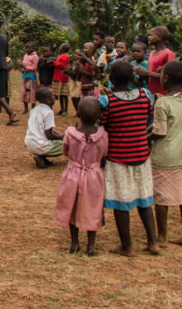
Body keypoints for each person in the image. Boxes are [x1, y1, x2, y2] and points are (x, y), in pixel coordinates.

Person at [99, 60, 159, 256]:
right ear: (132, 78)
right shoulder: (145, 95)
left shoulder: (108, 102)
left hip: (118, 158)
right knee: (144, 201)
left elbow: (104, 125)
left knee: (120, 202)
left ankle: (127, 246)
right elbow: (149, 117)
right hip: (141, 155)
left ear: (110, 80)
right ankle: (153, 242)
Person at [151, 60, 182, 248]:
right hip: (181, 155)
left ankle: (162, 236)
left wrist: (144, 136)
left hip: (164, 156)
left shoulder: (162, 103)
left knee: (161, 198)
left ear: (166, 78)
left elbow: (159, 132)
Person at [56, 97, 108, 255]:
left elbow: (65, 151)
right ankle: (91, 245)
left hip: (72, 174)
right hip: (94, 176)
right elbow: (104, 154)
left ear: (78, 113)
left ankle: (74, 243)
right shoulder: (103, 135)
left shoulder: (70, 133)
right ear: (99, 116)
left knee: (72, 206)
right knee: (93, 208)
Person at [25, 87, 63, 168]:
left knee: (52, 140)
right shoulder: (48, 112)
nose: (54, 97)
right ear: (48, 100)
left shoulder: (34, 109)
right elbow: (49, 135)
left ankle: (40, 157)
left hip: (30, 143)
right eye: (52, 95)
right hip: (41, 145)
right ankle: (42, 154)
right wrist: (63, 137)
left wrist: (59, 136)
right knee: (67, 145)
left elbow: (45, 130)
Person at [134, 26, 175, 97]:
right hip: (151, 92)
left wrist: (147, 73)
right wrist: (141, 73)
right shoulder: (152, 53)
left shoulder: (168, 53)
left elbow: (169, 76)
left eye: (151, 35)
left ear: (160, 37)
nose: (148, 37)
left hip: (163, 93)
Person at [20, 42, 39, 113]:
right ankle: (26, 109)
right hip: (25, 76)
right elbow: (24, 65)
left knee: (32, 92)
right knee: (24, 92)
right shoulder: (25, 55)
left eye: (29, 47)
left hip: (31, 77)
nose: (27, 49)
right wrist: (21, 67)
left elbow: (34, 67)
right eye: (26, 47)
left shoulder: (35, 56)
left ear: (33, 48)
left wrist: (25, 67)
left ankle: (33, 109)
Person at [52, 43, 71, 115]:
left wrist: (54, 62)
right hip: (58, 76)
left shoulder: (65, 56)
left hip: (62, 77)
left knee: (64, 94)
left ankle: (65, 110)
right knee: (60, 94)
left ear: (63, 48)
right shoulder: (60, 55)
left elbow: (62, 65)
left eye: (60, 46)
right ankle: (62, 109)